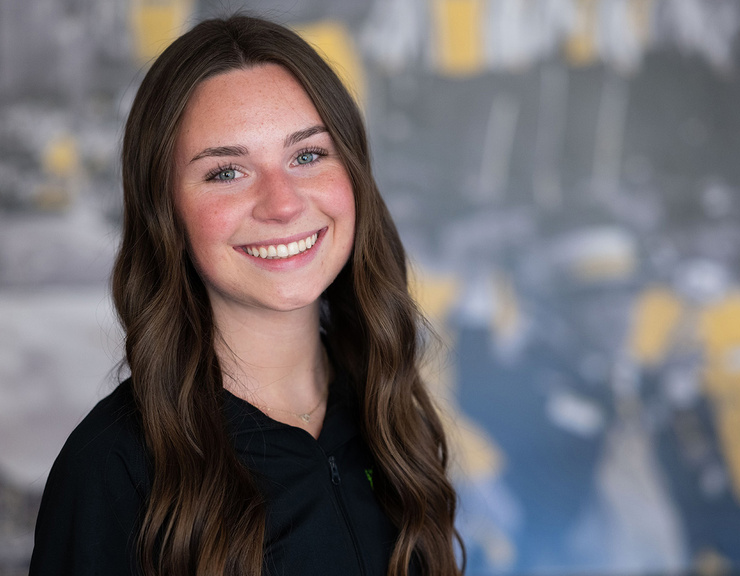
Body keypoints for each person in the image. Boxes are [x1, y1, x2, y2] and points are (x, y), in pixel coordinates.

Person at [29, 14, 461, 576]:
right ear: (167, 213)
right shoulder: (113, 469)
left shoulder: (390, 411)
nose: (281, 204)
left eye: (307, 156)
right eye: (226, 172)